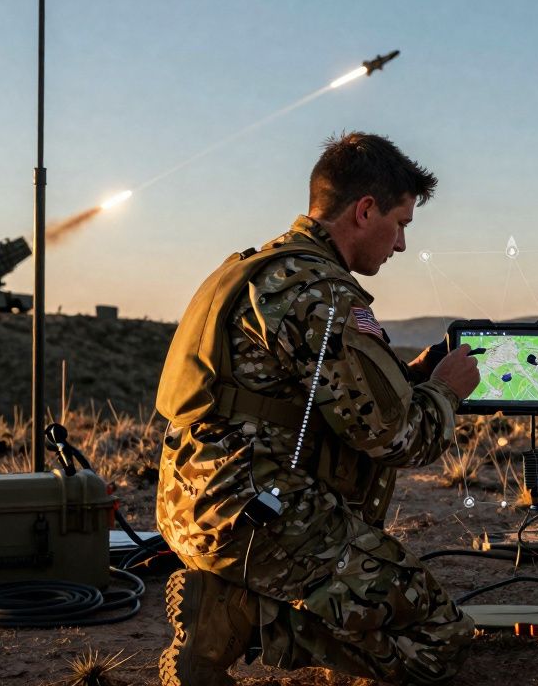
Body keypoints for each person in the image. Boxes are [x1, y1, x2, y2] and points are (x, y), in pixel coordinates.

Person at [155, 132, 480, 686]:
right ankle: (235, 618)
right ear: (364, 210)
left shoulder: (259, 270)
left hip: (199, 505)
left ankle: (238, 597)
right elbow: (400, 440)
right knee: (439, 642)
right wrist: (446, 392)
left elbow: (310, 395)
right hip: (258, 517)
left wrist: (409, 378)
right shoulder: (320, 293)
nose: (400, 244)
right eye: (400, 224)